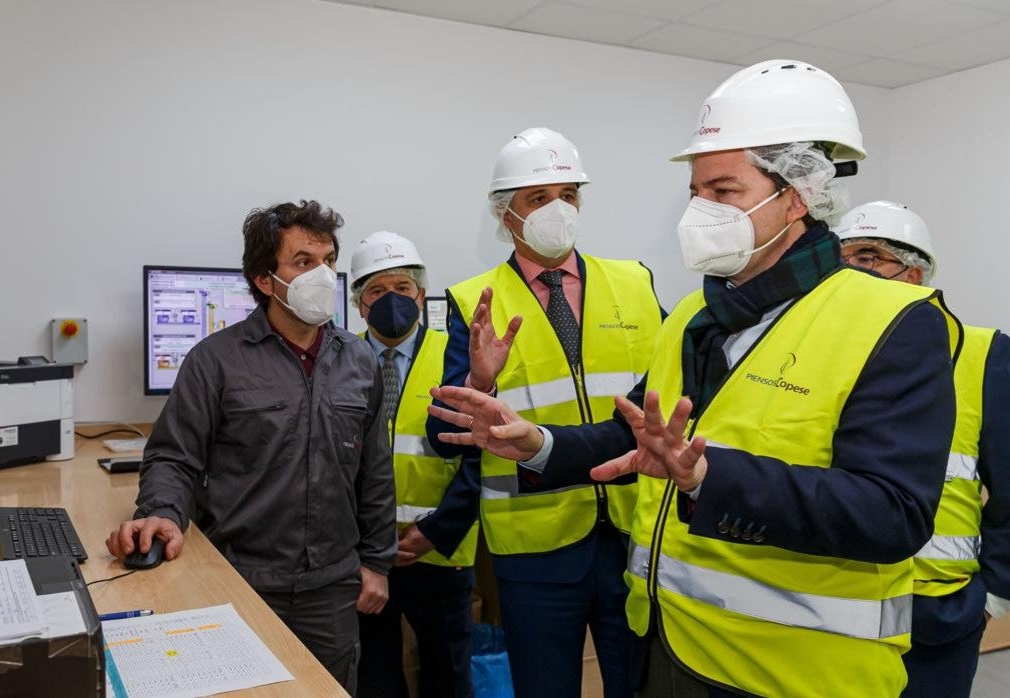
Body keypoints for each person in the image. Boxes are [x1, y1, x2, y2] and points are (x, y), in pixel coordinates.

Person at [428, 60, 962, 697]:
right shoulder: (694, 315)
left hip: (793, 673)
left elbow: (892, 513)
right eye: (695, 192)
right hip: (671, 645)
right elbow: (635, 433)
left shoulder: (893, 321)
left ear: (795, 196)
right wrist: (535, 443)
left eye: (724, 191)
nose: (700, 209)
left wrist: (709, 477)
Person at [105, 200, 395, 693]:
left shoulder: (360, 360)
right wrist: (161, 513)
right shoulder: (214, 362)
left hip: (331, 588)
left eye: (328, 261)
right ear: (265, 279)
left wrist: (377, 563)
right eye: (304, 262)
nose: (322, 275)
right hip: (239, 578)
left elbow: (375, 472)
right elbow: (174, 456)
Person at [423, 127, 664, 698]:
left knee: (642, 686)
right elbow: (442, 432)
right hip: (536, 551)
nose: (558, 209)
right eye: (538, 199)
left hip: (633, 533)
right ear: (506, 216)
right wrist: (478, 378)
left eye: (568, 195)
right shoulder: (471, 300)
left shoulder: (634, 282)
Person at [837, 200, 1010, 697]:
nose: (850, 271)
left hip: (936, 610)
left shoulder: (982, 354)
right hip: (834, 603)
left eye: (868, 258)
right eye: (841, 258)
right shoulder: (818, 353)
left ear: (913, 275)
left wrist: (993, 595)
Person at [350, 231, 478, 698]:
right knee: (374, 678)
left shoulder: (456, 356)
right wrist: (366, 542)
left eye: (403, 288)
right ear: (360, 305)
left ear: (422, 296)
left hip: (440, 551)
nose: (392, 300)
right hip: (365, 557)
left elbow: (479, 459)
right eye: (377, 291)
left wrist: (437, 530)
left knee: (448, 675)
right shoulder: (339, 360)